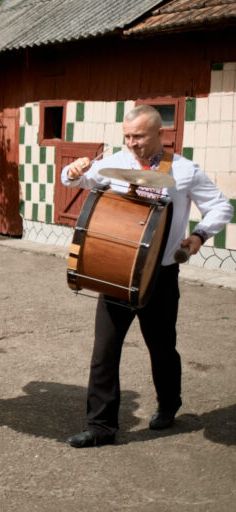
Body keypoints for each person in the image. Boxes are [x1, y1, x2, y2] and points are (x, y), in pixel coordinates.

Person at [61, 105, 233, 448]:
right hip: (115, 270)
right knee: (104, 351)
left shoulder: (184, 171)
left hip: (162, 274)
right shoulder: (117, 164)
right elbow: (78, 179)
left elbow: (221, 206)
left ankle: (169, 403)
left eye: (138, 136)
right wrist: (73, 169)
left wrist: (199, 236)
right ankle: (101, 427)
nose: (131, 142)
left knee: (162, 347)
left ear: (160, 135)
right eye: (127, 136)